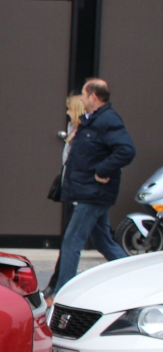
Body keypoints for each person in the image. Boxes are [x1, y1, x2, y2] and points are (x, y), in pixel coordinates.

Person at [52, 78, 136, 297]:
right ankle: (137, 275)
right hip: (87, 191)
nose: (81, 98)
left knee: (72, 242)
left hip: (93, 193)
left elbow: (126, 150)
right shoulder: (93, 121)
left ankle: (63, 293)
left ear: (93, 96)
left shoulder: (108, 120)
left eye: (83, 93)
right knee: (103, 242)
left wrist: (102, 171)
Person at [43, 94, 86, 299]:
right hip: (75, 193)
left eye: (69, 109)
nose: (67, 112)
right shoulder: (73, 130)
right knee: (103, 241)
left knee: (70, 242)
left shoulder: (83, 133)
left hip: (82, 195)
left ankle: (60, 289)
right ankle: (55, 284)